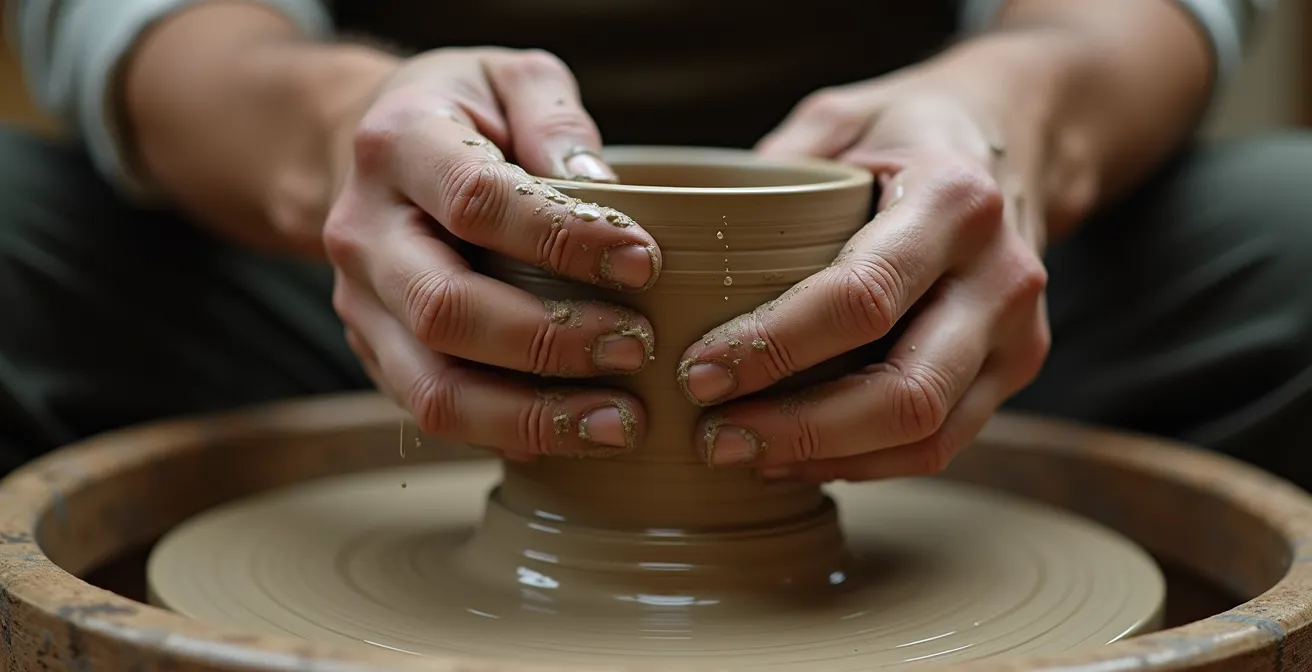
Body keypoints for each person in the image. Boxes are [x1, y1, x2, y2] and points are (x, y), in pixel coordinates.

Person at [4, 0, 1312, 489]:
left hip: (924, 288)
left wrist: (1007, 118)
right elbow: (169, 34)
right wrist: (339, 131)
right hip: (384, 280)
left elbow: (1117, 20)